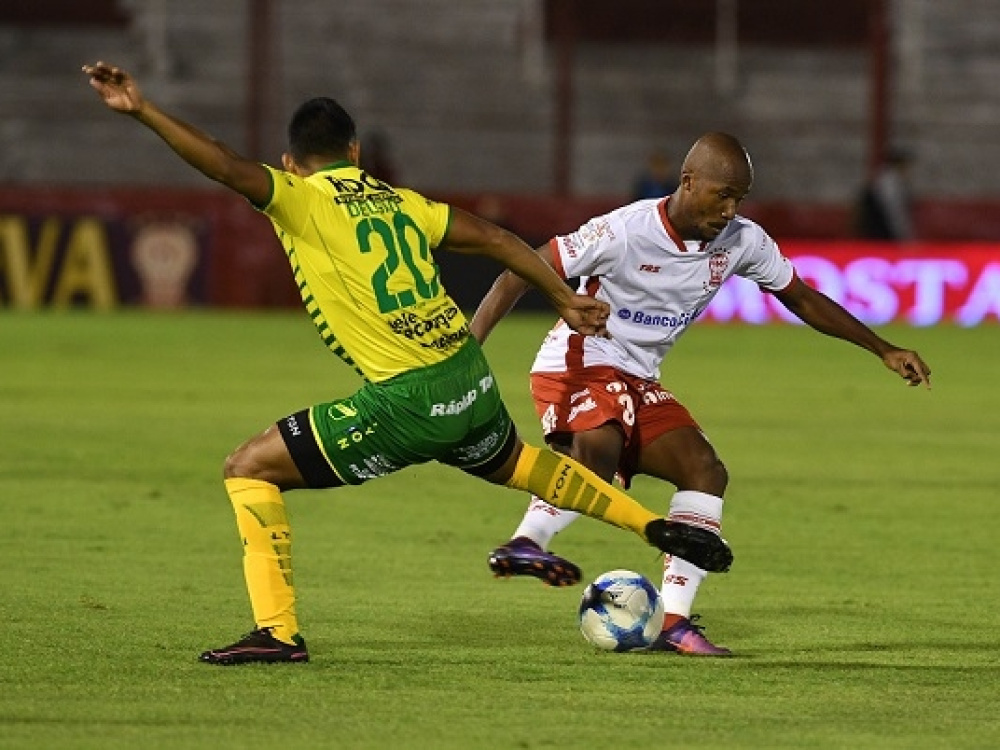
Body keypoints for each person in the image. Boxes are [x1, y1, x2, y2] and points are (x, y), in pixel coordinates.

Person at [82, 62, 733, 665]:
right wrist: (562, 297)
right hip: (468, 377)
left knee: (247, 467)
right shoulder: (403, 202)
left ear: (290, 163)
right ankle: (653, 525)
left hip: (409, 399)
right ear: (355, 152)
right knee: (521, 464)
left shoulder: (298, 197)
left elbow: (223, 165)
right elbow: (498, 239)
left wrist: (143, 109)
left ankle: (276, 631)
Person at [471, 132, 931, 656]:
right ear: (688, 182)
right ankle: (527, 542)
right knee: (600, 448)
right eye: (723, 195)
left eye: (740, 199)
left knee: (704, 471)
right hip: (580, 361)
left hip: (640, 378)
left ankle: (673, 621)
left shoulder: (742, 241)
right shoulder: (624, 230)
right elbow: (520, 270)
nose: (730, 210)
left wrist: (882, 348)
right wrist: (470, 348)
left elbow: (801, 298)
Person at [855, 147, 916, 241]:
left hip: (876, 230)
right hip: (880, 233)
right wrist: (906, 238)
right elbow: (895, 213)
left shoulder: (883, 178)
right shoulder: (890, 182)